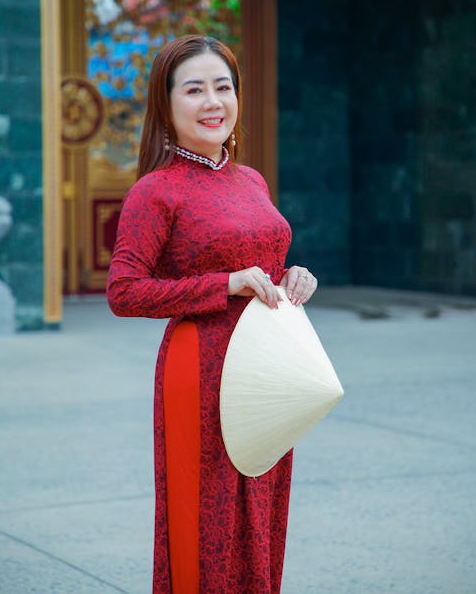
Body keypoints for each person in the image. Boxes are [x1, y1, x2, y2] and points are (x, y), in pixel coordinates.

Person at [106, 35, 318, 593]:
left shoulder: (250, 180)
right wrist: (224, 285)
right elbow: (124, 291)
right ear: (166, 104)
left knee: (261, 511)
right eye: (194, 89)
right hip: (199, 373)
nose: (212, 102)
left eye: (223, 87)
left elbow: (262, 266)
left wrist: (291, 278)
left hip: (269, 370)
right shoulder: (156, 193)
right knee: (208, 521)